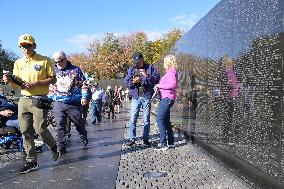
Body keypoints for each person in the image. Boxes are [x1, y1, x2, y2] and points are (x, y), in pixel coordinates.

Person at [2, 34, 59, 174]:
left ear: (34, 46)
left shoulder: (45, 60)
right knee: (25, 130)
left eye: (28, 45)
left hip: (39, 99)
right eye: (23, 46)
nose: (26, 48)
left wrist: (37, 83)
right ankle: (31, 161)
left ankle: (53, 145)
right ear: (20, 47)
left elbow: (53, 79)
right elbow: (17, 84)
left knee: (40, 129)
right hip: (24, 99)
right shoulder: (18, 63)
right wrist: (8, 80)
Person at [49, 51, 89, 155]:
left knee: (78, 123)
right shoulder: (54, 71)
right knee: (59, 124)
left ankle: (83, 134)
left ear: (65, 59)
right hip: (59, 102)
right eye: (55, 62)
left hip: (73, 102)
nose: (58, 64)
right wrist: (50, 97)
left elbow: (84, 85)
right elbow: (51, 86)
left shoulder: (75, 70)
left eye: (60, 61)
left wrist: (84, 97)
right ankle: (61, 146)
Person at [124, 52, 160, 146]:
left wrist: (145, 77)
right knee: (133, 118)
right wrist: (133, 82)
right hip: (135, 97)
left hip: (146, 96)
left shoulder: (150, 67)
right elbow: (127, 82)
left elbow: (156, 79)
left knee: (146, 119)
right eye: (135, 62)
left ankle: (145, 139)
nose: (137, 64)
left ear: (142, 59)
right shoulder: (131, 69)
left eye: (138, 61)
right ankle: (132, 138)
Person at [154, 54, 178, 150]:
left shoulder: (171, 72)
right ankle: (171, 143)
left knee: (160, 120)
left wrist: (159, 85)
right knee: (167, 121)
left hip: (166, 98)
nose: (164, 64)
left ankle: (163, 144)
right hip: (167, 98)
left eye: (165, 62)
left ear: (168, 62)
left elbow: (173, 84)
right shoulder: (171, 72)